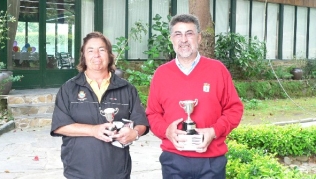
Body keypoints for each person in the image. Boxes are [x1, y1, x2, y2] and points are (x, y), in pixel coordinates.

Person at [146, 14, 244, 178]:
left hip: (211, 162)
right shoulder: (161, 74)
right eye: (178, 34)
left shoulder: (217, 70)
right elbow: (152, 113)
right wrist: (166, 131)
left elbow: (234, 109)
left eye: (189, 33)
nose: (183, 39)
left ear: (199, 38)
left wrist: (214, 131)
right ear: (171, 39)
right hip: (173, 161)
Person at [50, 31, 149, 179]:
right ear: (83, 55)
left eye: (101, 50)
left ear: (109, 55)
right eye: (90, 50)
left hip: (117, 170)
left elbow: (141, 122)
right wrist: (93, 130)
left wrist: (134, 133)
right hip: (78, 170)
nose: (96, 55)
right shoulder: (69, 89)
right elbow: (60, 126)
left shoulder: (127, 89)